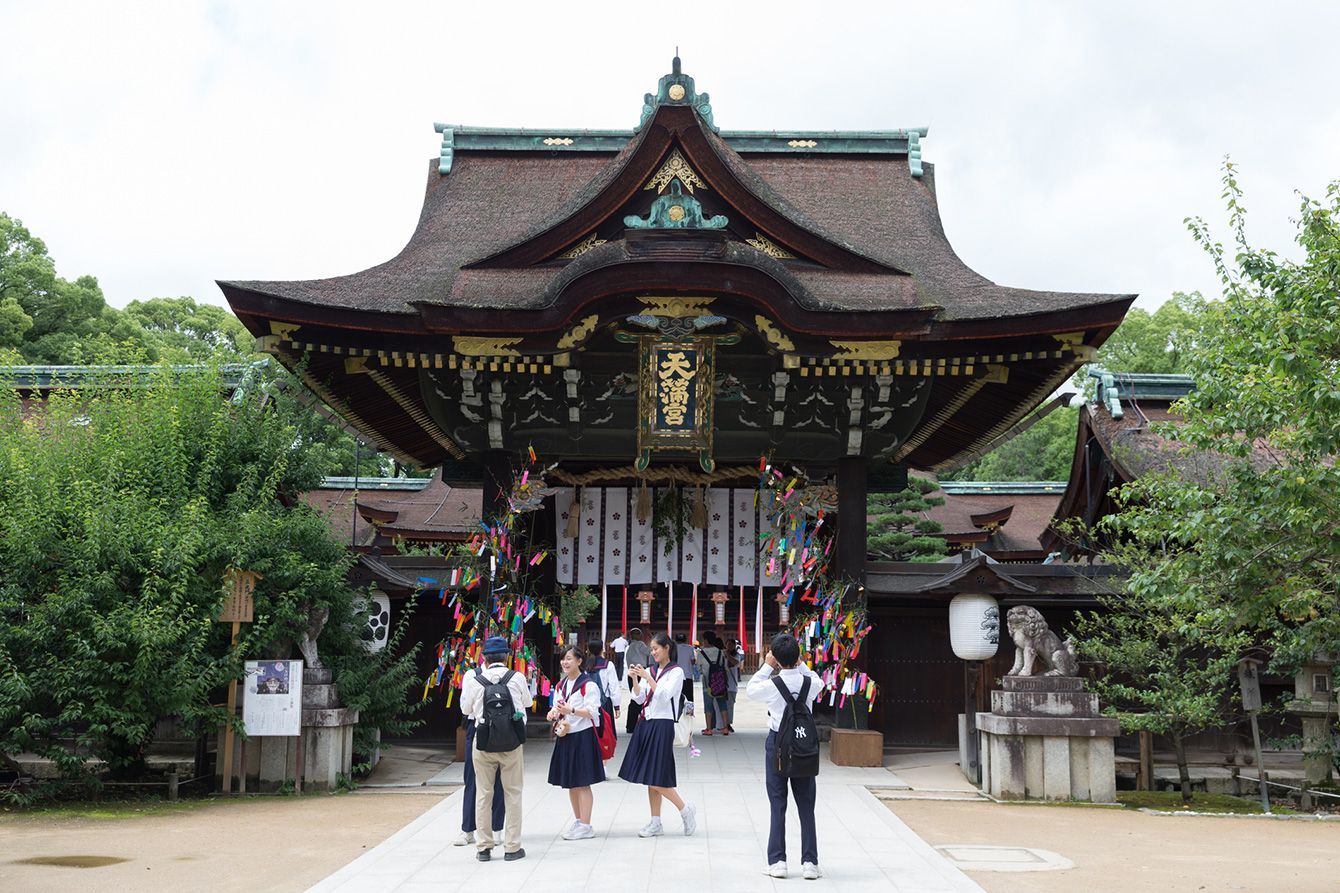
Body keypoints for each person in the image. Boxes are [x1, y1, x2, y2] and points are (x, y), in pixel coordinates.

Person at [746, 633, 823, 880]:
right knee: (806, 805)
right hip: (803, 747)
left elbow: (751, 689)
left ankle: (777, 861)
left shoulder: (772, 685)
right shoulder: (810, 684)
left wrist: (768, 666)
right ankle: (810, 863)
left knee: (778, 803)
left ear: (776, 658)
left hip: (778, 746)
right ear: (798, 656)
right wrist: (801, 664)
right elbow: (818, 680)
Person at [460, 635, 533, 862]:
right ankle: (512, 847)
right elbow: (528, 703)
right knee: (513, 793)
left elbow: (466, 710)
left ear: (485, 658)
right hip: (511, 742)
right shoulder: (517, 677)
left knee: (484, 794)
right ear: (507, 656)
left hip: (483, 742)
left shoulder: (475, 680)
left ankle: (484, 847)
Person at [618, 631, 697, 837]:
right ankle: (656, 822)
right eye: (651, 649)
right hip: (646, 723)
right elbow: (639, 698)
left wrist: (648, 677)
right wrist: (635, 680)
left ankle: (684, 809)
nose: (652, 652)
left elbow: (663, 696)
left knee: (656, 776)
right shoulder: (650, 670)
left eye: (655, 649)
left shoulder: (676, 672)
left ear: (666, 648)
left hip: (663, 724)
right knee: (649, 775)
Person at [547, 645, 606, 840]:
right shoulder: (561, 685)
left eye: (569, 658)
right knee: (571, 783)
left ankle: (587, 825)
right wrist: (553, 713)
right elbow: (558, 706)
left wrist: (571, 711)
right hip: (567, 736)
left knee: (583, 783)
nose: (565, 662)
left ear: (579, 661)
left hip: (583, 737)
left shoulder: (589, 685)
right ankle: (579, 821)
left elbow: (593, 713)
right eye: (563, 658)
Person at [695, 631, 730, 736]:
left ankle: (709, 729)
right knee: (722, 705)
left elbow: (699, 669)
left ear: (706, 640)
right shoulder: (720, 652)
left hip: (708, 684)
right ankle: (725, 728)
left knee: (708, 706)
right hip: (720, 682)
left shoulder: (701, 653)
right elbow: (724, 666)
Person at [586, 638, 621, 728]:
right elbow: (614, 687)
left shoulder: (585, 666)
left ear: (589, 650)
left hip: (587, 704)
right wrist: (616, 706)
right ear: (602, 649)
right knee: (605, 731)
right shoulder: (608, 665)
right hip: (604, 704)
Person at [623, 628, 650, 732]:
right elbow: (649, 652)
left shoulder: (629, 647)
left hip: (632, 673)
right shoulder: (641, 644)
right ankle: (640, 723)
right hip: (640, 672)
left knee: (634, 698)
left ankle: (631, 725)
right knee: (641, 698)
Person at [724, 636, 743, 733]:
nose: (730, 646)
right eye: (728, 644)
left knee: (730, 705)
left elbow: (735, 663)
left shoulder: (737, 655)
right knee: (722, 706)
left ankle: (728, 723)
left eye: (732, 645)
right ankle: (722, 723)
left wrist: (728, 655)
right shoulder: (722, 654)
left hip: (732, 685)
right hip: (722, 684)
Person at [673, 632, 695, 712]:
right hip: (687, 676)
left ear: (676, 640)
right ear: (685, 640)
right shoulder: (690, 648)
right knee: (689, 698)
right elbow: (693, 661)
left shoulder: (673, 649)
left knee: (676, 697)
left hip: (675, 677)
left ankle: (676, 714)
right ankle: (689, 714)